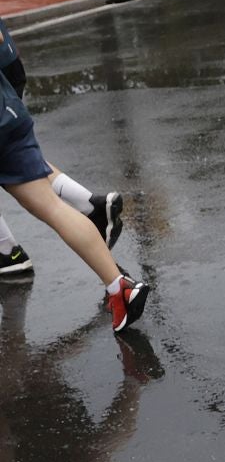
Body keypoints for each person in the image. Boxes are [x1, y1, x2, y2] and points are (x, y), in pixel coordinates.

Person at [1, 18, 147, 329]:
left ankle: (7, 254)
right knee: (53, 208)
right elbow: (9, 58)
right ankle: (118, 286)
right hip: (8, 114)